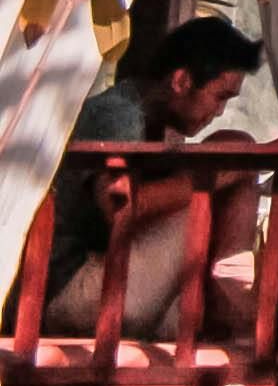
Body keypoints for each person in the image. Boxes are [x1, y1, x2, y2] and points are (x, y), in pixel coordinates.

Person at [55, 20, 266, 339]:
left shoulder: (156, 126)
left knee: (235, 147)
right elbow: (120, 207)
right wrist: (224, 170)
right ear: (181, 80)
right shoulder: (119, 114)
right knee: (237, 146)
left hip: (113, 289)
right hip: (75, 293)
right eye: (219, 97)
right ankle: (234, 308)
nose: (219, 111)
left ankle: (230, 305)